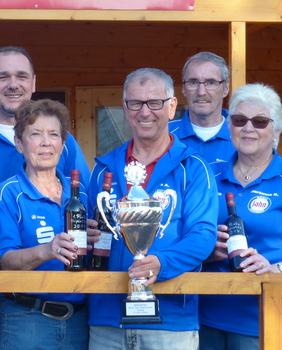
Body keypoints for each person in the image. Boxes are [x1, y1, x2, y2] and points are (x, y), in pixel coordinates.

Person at [87, 68, 218, 350]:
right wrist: (85, 236)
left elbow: (203, 236)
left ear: (172, 107)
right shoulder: (103, 169)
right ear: (125, 108)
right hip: (106, 322)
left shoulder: (193, 168)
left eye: (154, 103)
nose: (145, 112)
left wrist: (162, 262)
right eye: (135, 103)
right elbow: (92, 235)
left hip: (171, 323)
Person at [199, 83, 282, 350]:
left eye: (259, 121)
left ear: (276, 130)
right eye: (239, 120)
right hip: (202, 317)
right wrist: (205, 250)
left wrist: (275, 269)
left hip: (265, 319)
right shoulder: (207, 175)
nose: (248, 128)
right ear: (230, 127)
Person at [0, 99, 89, 350]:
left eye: (54, 134)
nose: (46, 142)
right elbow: (5, 262)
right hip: (27, 319)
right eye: (35, 134)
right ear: (19, 143)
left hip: (80, 321)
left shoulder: (82, 194)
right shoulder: (8, 193)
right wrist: (47, 250)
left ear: (63, 144)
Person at [0, 46, 91, 186]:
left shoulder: (59, 140)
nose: (13, 85)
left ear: (33, 83)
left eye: (22, 77)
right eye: (3, 77)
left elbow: (83, 193)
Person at [169, 52, 234, 164]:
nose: (201, 92)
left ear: (226, 88)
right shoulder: (164, 135)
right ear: (183, 88)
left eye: (211, 83)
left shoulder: (244, 136)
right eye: (193, 82)